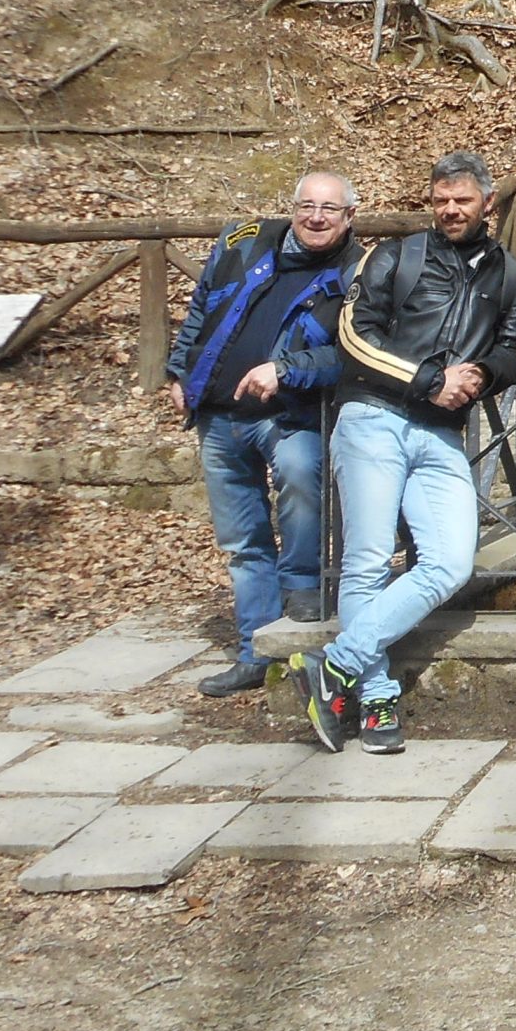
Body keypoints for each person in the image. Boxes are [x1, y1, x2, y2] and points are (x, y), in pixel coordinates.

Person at [293, 152, 516, 754]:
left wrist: (483, 375)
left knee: (450, 562)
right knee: (367, 562)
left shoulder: (509, 274)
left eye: (462, 200)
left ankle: (334, 664)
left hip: (440, 433)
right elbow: (353, 336)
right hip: (374, 418)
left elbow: (513, 344)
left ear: (487, 204)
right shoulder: (395, 256)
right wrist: (429, 380)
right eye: (441, 199)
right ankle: (373, 701)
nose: (450, 209)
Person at [164, 171, 358, 697]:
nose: (316, 217)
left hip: (292, 417)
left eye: (329, 209)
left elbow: (352, 352)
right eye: (307, 205)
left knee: (300, 485)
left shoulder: (359, 272)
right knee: (243, 543)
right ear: (292, 207)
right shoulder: (244, 242)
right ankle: (253, 652)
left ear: (349, 218)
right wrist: (180, 371)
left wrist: (287, 368)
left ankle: (302, 627)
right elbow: (201, 307)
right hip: (220, 415)